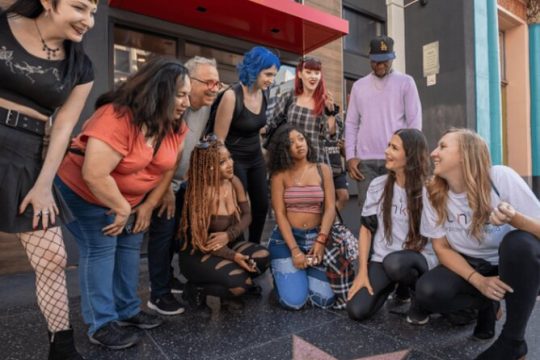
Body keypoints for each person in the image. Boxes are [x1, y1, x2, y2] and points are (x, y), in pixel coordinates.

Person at [55, 57, 190, 350]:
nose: (186, 102)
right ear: (160, 91)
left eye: (187, 95)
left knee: (129, 245)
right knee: (101, 246)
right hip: (84, 191)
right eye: (180, 94)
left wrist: (148, 203)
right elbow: (93, 174)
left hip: (129, 199)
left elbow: (169, 166)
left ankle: (127, 310)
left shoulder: (174, 125)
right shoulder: (116, 117)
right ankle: (101, 323)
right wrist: (123, 207)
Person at [0, 0, 97, 357]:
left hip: (29, 151)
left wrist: (44, 185)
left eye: (93, 13)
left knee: (53, 257)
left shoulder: (81, 66)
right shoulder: (5, 19)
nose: (87, 20)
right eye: (80, 7)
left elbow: (64, 127)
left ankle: (63, 347)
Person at [416, 128, 540, 360]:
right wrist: (479, 281)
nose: (433, 152)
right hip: (471, 264)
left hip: (514, 266)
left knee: (519, 243)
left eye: (442, 146)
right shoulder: (432, 190)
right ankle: (488, 304)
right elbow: (441, 248)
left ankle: (513, 342)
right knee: (428, 291)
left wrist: (516, 219)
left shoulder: (500, 177)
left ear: (465, 153)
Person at [146, 56, 221, 316]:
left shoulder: (207, 107)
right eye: (208, 82)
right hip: (161, 182)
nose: (214, 87)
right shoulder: (175, 106)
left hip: (184, 183)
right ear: (189, 82)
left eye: (217, 82)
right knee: (162, 236)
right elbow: (160, 150)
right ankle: (158, 294)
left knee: (176, 236)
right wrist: (164, 189)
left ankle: (167, 279)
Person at [346, 129, 437, 323]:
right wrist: (362, 272)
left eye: (394, 148)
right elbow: (365, 229)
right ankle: (397, 286)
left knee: (396, 263)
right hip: (383, 259)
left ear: (410, 155)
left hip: (418, 259)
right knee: (357, 310)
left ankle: (418, 299)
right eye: (388, 145)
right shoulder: (378, 185)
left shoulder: (429, 189)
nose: (386, 151)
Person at [178, 138, 270, 311]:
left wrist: (230, 234)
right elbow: (202, 241)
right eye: (222, 162)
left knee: (263, 256)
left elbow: (248, 215)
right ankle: (195, 289)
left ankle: (227, 293)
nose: (230, 164)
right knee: (242, 284)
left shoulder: (234, 182)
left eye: (229, 158)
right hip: (198, 253)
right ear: (207, 167)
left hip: (227, 244)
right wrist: (235, 257)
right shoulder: (200, 194)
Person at [344, 35, 422, 212]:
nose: (380, 65)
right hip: (365, 162)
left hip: (396, 159)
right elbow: (351, 124)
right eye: (376, 61)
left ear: (392, 58)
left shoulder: (406, 83)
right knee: (369, 213)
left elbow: (414, 124)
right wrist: (350, 156)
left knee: (397, 211)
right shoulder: (358, 86)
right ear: (370, 58)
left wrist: (410, 156)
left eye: (385, 61)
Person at [214, 46, 280, 243]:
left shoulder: (264, 95)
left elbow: (255, 129)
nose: (271, 80)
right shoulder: (231, 96)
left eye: (273, 76)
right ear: (254, 69)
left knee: (261, 205)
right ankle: (238, 246)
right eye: (267, 74)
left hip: (255, 158)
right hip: (234, 160)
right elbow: (218, 142)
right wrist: (225, 171)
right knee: (239, 208)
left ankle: (254, 245)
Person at [267, 124, 336, 310]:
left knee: (324, 301)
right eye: (291, 142)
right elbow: (279, 214)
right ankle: (283, 276)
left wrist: (321, 241)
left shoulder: (323, 169)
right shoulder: (279, 176)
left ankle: (298, 275)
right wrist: (295, 251)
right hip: (287, 241)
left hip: (316, 239)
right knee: (295, 302)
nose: (299, 144)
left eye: (301, 138)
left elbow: (330, 208)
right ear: (284, 149)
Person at [268, 56, 348, 209]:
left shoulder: (325, 100)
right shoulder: (289, 97)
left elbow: (330, 135)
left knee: (319, 207)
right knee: (291, 206)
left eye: (316, 73)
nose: (313, 76)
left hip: (317, 161)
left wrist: (330, 113)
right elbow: (272, 123)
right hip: (291, 161)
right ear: (300, 74)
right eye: (309, 72)